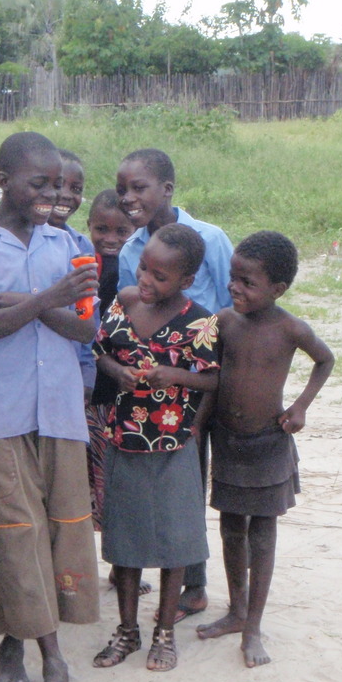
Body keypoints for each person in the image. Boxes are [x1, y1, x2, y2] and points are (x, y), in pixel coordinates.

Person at [0, 131, 100, 682]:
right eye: (39, 183)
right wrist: (44, 300)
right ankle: (46, 654)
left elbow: (86, 328)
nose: (53, 193)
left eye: (58, 183)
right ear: (3, 182)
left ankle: (14, 640)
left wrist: (33, 305)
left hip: (59, 411)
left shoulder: (68, 244)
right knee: (13, 531)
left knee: (62, 531)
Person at [194, 231, 334, 668]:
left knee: (262, 534)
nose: (236, 287)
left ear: (278, 289)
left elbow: (325, 360)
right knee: (231, 527)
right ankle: (235, 611)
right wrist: (198, 426)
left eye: (248, 282)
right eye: (233, 278)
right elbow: (212, 379)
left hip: (268, 444)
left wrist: (300, 407)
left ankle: (253, 625)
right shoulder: (224, 323)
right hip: (228, 443)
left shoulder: (290, 328)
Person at [92, 223, 219, 673]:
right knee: (124, 541)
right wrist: (115, 371)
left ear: (185, 281)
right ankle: (128, 630)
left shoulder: (199, 322)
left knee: (173, 540)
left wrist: (176, 376)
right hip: (122, 439)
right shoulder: (125, 302)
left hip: (173, 445)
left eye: (159, 276)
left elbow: (213, 378)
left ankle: (165, 633)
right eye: (144, 268)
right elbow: (100, 350)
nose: (146, 280)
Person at [115, 147, 234, 618]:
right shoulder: (130, 251)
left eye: (139, 187)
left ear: (167, 189)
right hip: (153, 395)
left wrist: (209, 383)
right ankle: (167, 574)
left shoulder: (210, 239)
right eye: (122, 188)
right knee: (160, 487)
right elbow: (133, 316)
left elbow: (230, 308)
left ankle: (194, 584)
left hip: (200, 382)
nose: (128, 197)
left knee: (191, 481)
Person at [84, 189, 135, 529]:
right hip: (92, 385)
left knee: (116, 477)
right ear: (89, 226)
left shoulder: (133, 269)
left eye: (121, 232)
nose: (110, 239)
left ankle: (120, 565)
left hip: (119, 385)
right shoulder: (86, 264)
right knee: (92, 474)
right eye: (101, 229)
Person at [48, 149, 97, 402]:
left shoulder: (82, 248)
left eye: (76, 189)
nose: (67, 195)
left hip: (70, 370)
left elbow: (87, 314)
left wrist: (87, 372)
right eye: (58, 185)